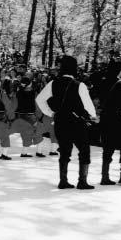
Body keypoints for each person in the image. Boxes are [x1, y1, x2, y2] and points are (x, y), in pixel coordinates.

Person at [36, 55, 97, 190]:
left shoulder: (53, 83)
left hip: (60, 121)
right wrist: (93, 116)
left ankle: (63, 181)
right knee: (84, 151)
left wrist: (50, 113)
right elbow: (88, 105)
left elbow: (40, 99)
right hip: (77, 122)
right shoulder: (79, 85)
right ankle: (82, 181)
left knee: (64, 152)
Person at [98, 61, 121, 186]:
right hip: (120, 119)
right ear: (120, 70)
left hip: (105, 118)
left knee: (107, 147)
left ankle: (105, 177)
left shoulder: (101, 83)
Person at [11, 77, 44, 157]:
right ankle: (39, 152)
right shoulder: (34, 93)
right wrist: (39, 116)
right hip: (31, 116)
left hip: (20, 117)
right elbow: (37, 106)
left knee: (25, 135)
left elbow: (14, 106)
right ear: (29, 84)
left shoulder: (17, 93)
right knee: (38, 133)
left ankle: (24, 152)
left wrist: (11, 116)